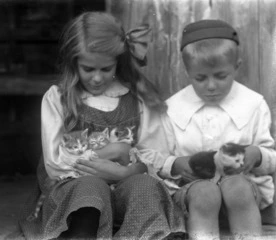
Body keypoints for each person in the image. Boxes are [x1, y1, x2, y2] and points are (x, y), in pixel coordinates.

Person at [17, 11, 185, 240]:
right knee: (90, 186)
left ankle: (149, 234)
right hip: (75, 196)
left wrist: (127, 170)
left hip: (125, 193)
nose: (97, 78)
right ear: (74, 62)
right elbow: (55, 163)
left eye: (106, 69)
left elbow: (154, 154)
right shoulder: (59, 98)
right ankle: (80, 234)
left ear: (118, 62)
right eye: (88, 69)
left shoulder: (137, 99)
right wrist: (112, 152)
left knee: (144, 185)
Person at [141, 19, 276, 240]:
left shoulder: (253, 104)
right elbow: (152, 156)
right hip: (193, 195)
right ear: (187, 71)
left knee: (237, 188)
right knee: (205, 192)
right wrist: (175, 163)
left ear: (236, 67)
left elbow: (270, 153)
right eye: (200, 78)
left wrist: (257, 155)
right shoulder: (172, 109)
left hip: (245, 194)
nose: (211, 86)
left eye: (221, 76)